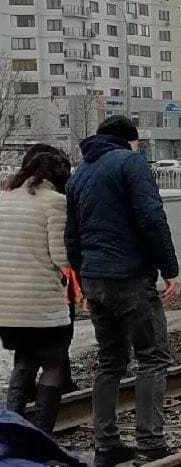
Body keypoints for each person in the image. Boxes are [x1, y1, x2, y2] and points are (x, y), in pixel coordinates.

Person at [65, 115, 180, 467]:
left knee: (110, 360)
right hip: (129, 278)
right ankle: (150, 442)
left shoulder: (80, 174)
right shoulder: (131, 163)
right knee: (152, 357)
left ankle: (106, 444)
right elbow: (151, 216)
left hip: (96, 279)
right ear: (129, 140)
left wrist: (85, 281)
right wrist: (170, 269)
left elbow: (72, 235)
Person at [0, 147, 75, 435]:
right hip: (42, 303)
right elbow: (61, 257)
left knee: (25, 359)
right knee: (53, 362)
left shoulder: (4, 200)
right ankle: (42, 434)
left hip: (7, 304)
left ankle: (12, 429)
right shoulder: (54, 202)